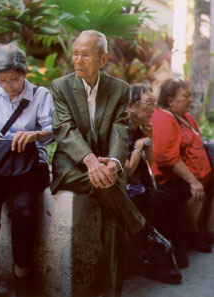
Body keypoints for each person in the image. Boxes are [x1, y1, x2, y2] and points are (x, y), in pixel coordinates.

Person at [50, 30, 172, 297]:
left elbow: (120, 130)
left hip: (106, 165)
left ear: (103, 58)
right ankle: (145, 230)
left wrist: (115, 163)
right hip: (72, 166)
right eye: (75, 53)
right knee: (110, 187)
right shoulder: (60, 86)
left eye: (86, 54)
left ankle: (112, 291)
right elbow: (65, 131)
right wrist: (91, 161)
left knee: (114, 218)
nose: (78, 60)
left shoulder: (118, 88)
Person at [0, 43, 53, 297]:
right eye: (1, 80)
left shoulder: (41, 95)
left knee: (23, 211)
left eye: (13, 80)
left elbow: (53, 131)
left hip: (30, 165)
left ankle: (21, 272)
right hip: (0, 165)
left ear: (25, 74)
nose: (7, 86)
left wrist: (34, 134)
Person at [151, 78, 214, 268]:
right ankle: (195, 234)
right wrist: (194, 180)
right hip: (172, 178)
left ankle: (208, 231)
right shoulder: (163, 118)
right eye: (186, 96)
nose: (191, 100)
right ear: (170, 101)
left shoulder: (186, 117)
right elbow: (168, 158)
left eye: (190, 96)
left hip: (196, 174)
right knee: (190, 191)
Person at [126, 83, 182, 283]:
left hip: (138, 186)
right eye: (148, 103)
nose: (153, 109)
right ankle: (155, 261)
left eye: (154, 104)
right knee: (159, 200)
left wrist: (148, 139)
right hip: (122, 191)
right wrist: (138, 147)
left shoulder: (139, 130)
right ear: (131, 105)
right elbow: (126, 171)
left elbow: (147, 164)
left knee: (170, 195)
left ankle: (168, 255)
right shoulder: (120, 129)